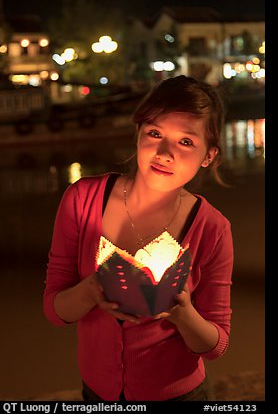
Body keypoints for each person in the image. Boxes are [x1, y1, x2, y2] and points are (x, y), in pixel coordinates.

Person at [43, 75, 234, 401]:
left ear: (209, 156)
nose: (164, 152)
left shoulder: (212, 228)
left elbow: (216, 344)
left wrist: (181, 313)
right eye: (155, 133)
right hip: (97, 395)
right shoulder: (82, 200)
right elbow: (55, 310)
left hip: (180, 396)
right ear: (137, 134)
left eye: (185, 142)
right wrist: (91, 290)